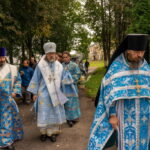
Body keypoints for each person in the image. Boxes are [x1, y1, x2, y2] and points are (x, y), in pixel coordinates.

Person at [87, 34, 150, 150]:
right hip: (124, 115)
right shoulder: (116, 67)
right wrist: (112, 115)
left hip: (144, 117)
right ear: (128, 51)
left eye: (142, 51)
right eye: (137, 52)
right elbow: (108, 95)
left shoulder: (146, 67)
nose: (140, 55)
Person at [27, 42, 68, 142]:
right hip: (43, 95)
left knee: (54, 113)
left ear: (55, 53)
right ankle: (43, 133)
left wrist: (64, 91)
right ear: (46, 54)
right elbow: (35, 79)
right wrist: (34, 93)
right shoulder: (40, 65)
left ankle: (52, 133)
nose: (51, 55)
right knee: (44, 114)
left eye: (53, 53)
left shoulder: (59, 66)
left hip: (56, 94)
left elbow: (63, 79)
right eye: (49, 53)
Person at [0, 48, 23, 150]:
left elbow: (18, 80)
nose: (1, 59)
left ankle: (7, 141)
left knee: (8, 120)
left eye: (2, 57)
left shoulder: (12, 68)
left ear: (5, 57)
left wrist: (15, 91)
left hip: (8, 100)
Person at [62, 51, 81, 127]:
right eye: (63, 57)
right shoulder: (61, 66)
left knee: (73, 103)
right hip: (64, 88)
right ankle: (68, 118)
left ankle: (74, 118)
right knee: (66, 103)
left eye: (66, 57)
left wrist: (70, 79)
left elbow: (78, 74)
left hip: (72, 87)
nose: (65, 58)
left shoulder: (74, 65)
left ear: (69, 57)